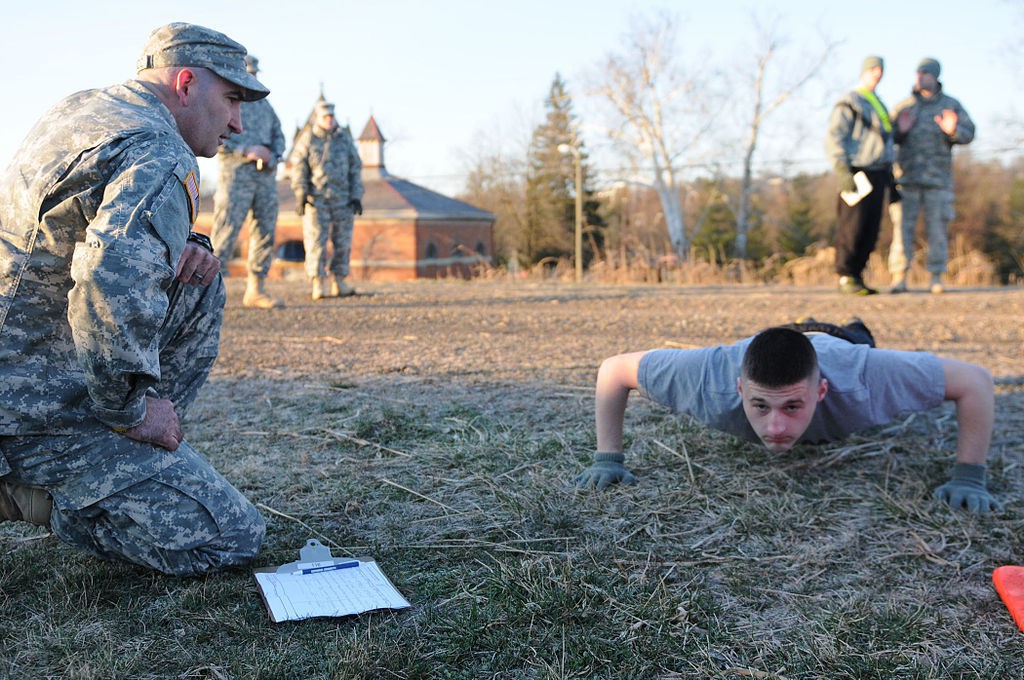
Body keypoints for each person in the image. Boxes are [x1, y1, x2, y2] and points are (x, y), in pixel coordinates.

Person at [0, 23, 269, 575]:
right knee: (230, 538)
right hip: (29, 408)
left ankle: (125, 453)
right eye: (232, 99)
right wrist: (132, 410)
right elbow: (110, 283)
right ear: (186, 83)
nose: (238, 124)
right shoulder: (159, 150)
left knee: (198, 276)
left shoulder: (82, 110)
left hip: (22, 363)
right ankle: (34, 486)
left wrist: (183, 241)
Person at [575, 318, 1001, 514]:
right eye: (760, 406)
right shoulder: (708, 378)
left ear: (821, 392)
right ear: (739, 390)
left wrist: (969, 477)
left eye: (793, 406)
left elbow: (976, 381)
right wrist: (607, 459)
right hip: (771, 339)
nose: (775, 428)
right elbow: (614, 370)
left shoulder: (864, 377)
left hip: (838, 342)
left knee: (856, 335)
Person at [887, 58, 975, 295]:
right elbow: (886, 136)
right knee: (901, 230)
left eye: (925, 73)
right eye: (918, 72)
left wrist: (953, 131)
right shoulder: (904, 106)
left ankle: (936, 277)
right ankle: (899, 277)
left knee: (937, 230)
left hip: (938, 181)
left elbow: (969, 133)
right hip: (906, 180)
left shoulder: (951, 105)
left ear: (935, 76)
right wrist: (900, 131)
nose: (920, 77)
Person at [210, 54, 287, 309]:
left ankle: (256, 289)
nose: (253, 77)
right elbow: (212, 137)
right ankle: (207, 294)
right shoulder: (226, 101)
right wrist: (246, 150)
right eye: (249, 73)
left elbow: (279, 136)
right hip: (235, 177)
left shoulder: (265, 106)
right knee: (226, 231)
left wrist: (272, 155)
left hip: (264, 178)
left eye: (255, 73)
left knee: (265, 230)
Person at [825, 56, 895, 296]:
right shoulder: (850, 101)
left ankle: (857, 275)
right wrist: (841, 169)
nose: (877, 73)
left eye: (880, 69)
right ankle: (845, 276)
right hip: (856, 172)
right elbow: (834, 136)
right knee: (852, 226)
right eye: (873, 69)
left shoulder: (879, 103)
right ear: (864, 71)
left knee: (870, 229)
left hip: (878, 172)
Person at [289, 100, 364, 300]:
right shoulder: (308, 138)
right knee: (316, 241)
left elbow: (355, 167)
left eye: (331, 117)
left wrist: (356, 195)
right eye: (325, 117)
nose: (329, 120)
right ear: (318, 118)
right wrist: (301, 193)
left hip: (343, 199)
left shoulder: (343, 139)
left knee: (343, 241)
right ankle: (318, 283)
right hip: (316, 199)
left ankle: (339, 282)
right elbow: (298, 166)